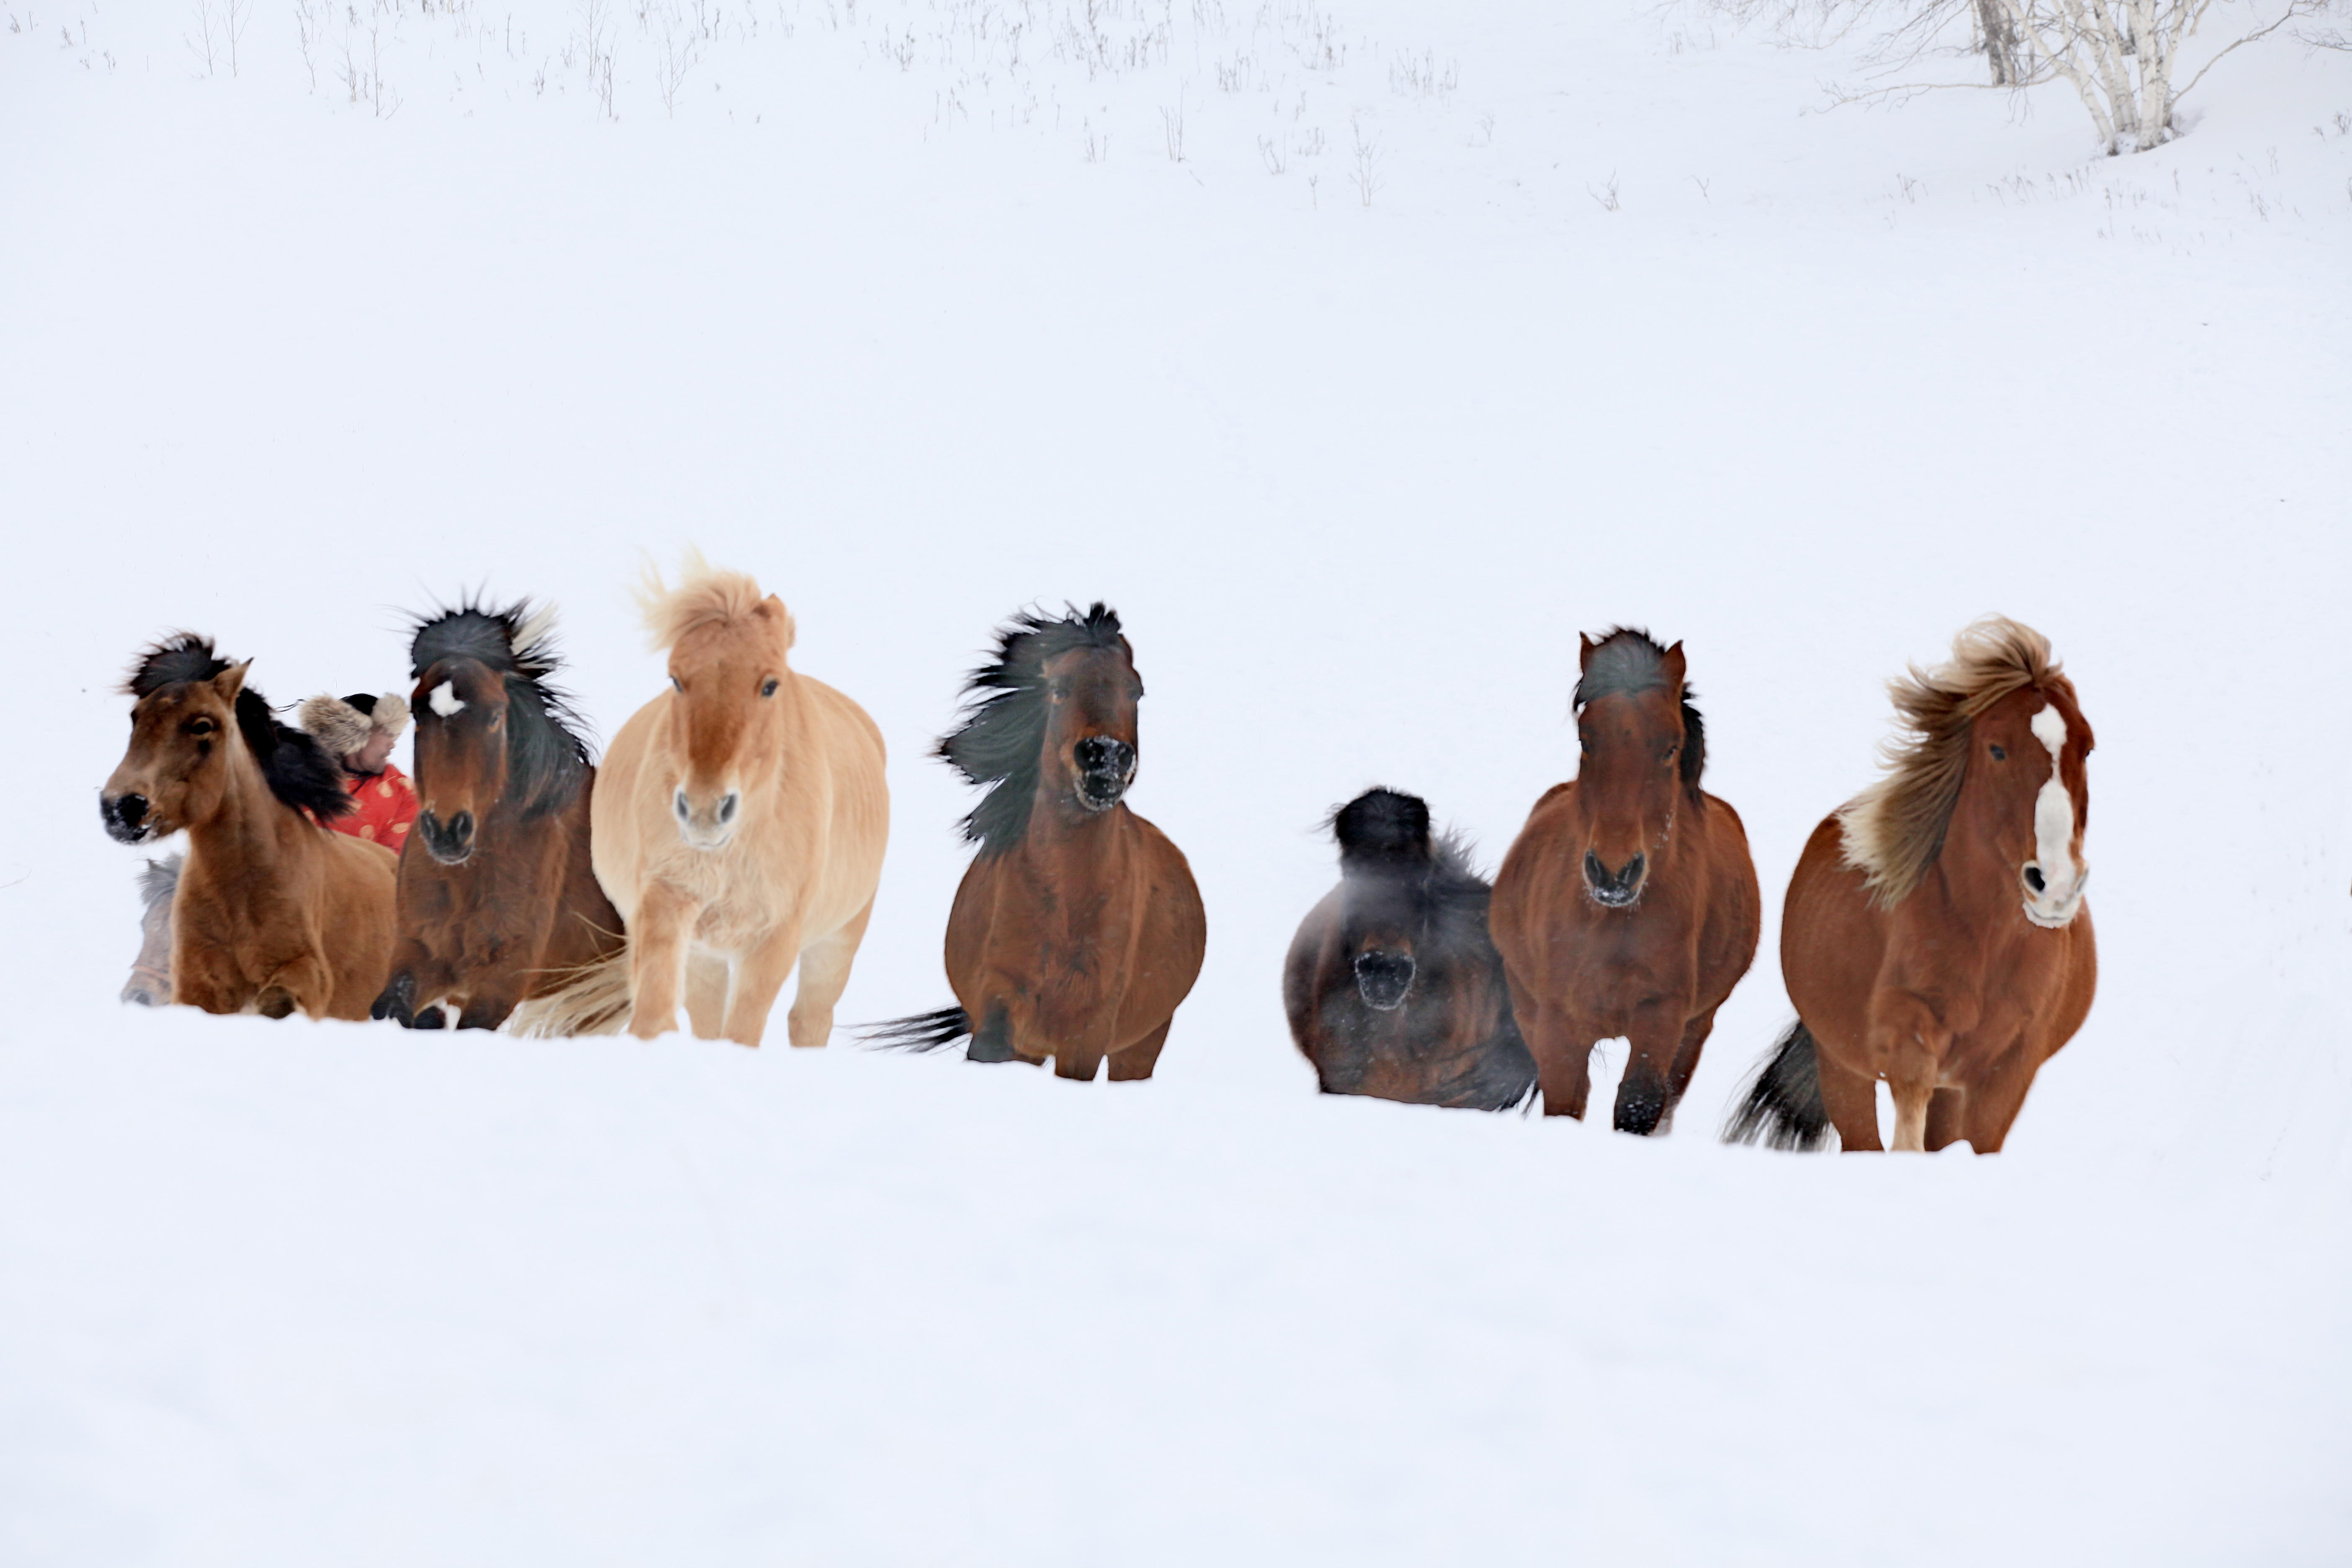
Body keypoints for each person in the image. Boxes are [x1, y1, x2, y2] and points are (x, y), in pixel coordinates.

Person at [298, 691, 419, 849]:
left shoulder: (402, 790)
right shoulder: (296, 776)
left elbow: (392, 864)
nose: (392, 744)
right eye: (387, 734)